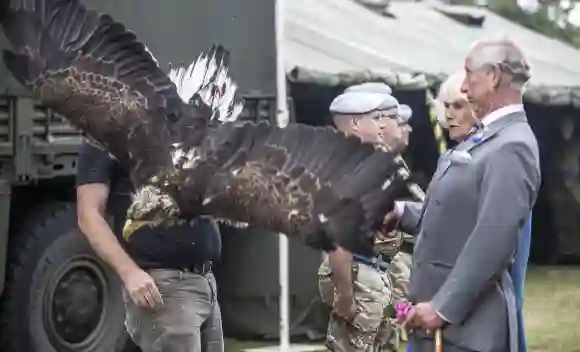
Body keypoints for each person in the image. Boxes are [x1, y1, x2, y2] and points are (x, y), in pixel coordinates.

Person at [395, 39, 541, 352]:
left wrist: (442, 308)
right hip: (446, 330)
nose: (463, 84)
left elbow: (493, 239)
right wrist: (400, 214)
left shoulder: (511, 145)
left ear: (494, 76)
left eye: (469, 73)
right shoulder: (490, 140)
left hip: (468, 332)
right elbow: (453, 216)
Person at [76, 141, 224, 352]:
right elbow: (88, 215)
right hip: (163, 285)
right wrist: (130, 273)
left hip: (205, 281)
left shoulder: (183, 123)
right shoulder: (104, 133)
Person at [434, 70, 532, 352]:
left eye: (459, 105)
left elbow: (502, 246)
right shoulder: (450, 159)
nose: (449, 114)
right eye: (446, 106)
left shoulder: (502, 156)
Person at [318, 83, 414, 352]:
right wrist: (346, 295)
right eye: (377, 118)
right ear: (357, 123)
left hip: (374, 271)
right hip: (358, 273)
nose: (383, 124)